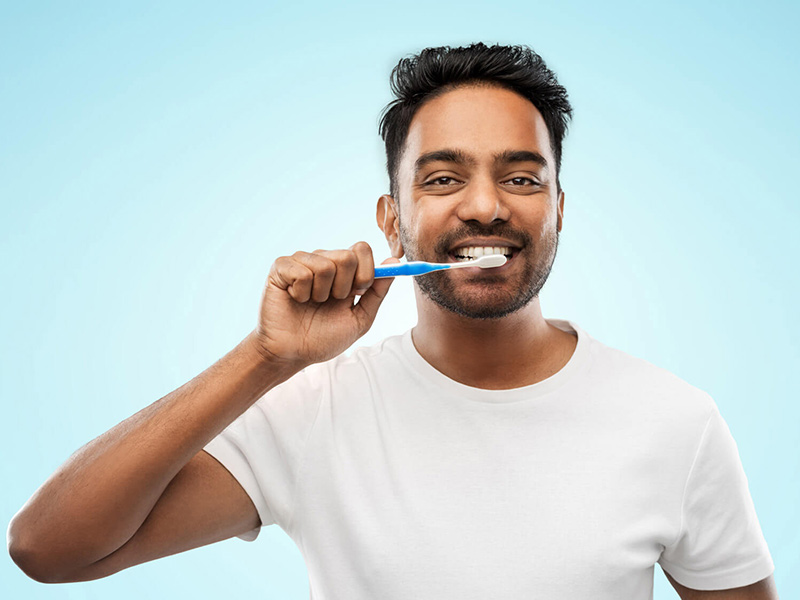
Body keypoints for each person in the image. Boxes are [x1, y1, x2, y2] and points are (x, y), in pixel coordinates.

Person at [7, 42, 778, 599]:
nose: (485, 205)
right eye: (443, 178)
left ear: (559, 210)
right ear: (393, 220)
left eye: (521, 177)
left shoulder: (675, 421)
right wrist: (266, 360)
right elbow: (49, 551)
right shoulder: (311, 411)